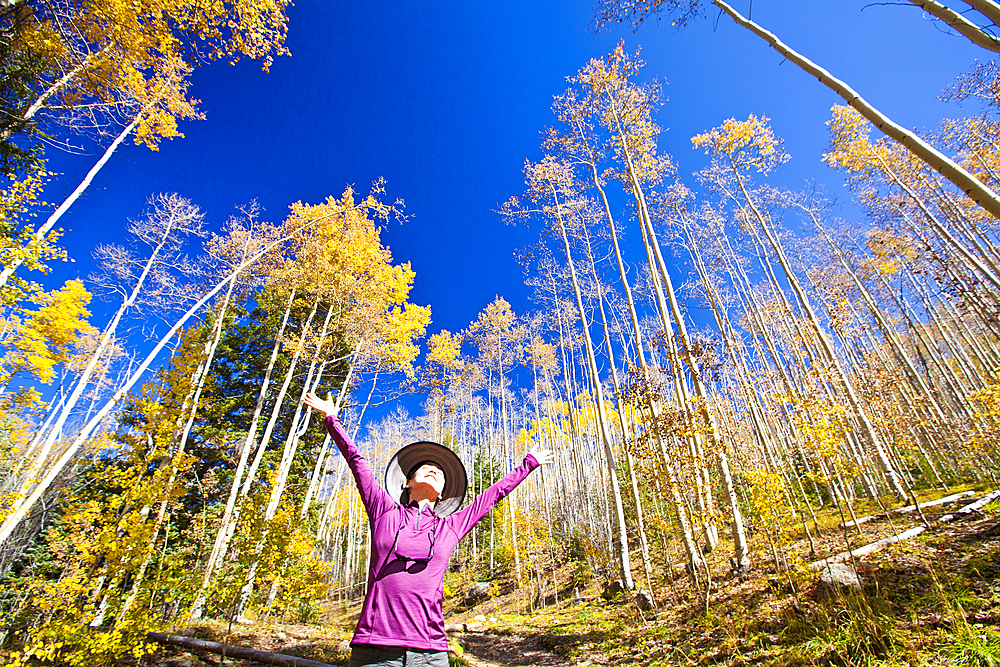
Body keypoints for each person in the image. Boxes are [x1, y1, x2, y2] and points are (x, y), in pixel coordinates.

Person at [303, 391, 554, 667]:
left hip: (430, 651)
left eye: (440, 472)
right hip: (374, 647)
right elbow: (358, 463)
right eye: (425, 468)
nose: (434, 470)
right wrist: (331, 418)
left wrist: (527, 465)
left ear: (443, 494)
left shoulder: (451, 526)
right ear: (407, 483)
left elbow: (492, 496)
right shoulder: (384, 511)